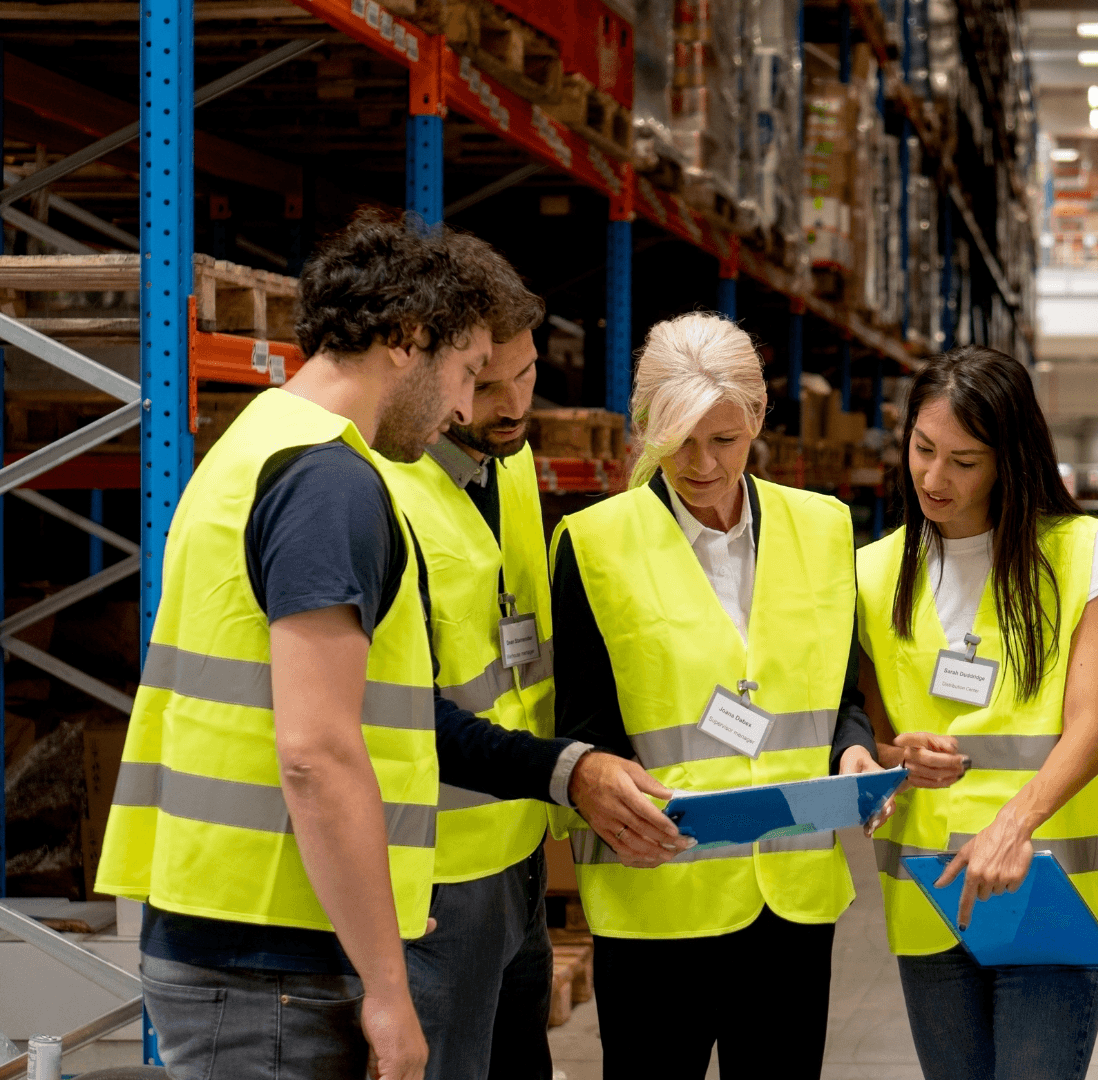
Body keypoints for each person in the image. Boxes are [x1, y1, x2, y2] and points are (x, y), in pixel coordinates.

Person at [96, 212, 683, 1080]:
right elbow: (318, 754)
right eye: (467, 372)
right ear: (408, 340)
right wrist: (387, 988)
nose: (462, 406)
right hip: (272, 956)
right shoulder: (331, 484)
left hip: (247, 930)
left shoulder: (263, 438)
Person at [550, 311, 890, 1080]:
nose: (701, 464)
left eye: (724, 440)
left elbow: (839, 698)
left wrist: (854, 748)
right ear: (644, 426)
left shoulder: (823, 528)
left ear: (759, 421)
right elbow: (583, 727)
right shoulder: (594, 543)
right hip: (658, 899)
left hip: (792, 902)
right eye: (677, 442)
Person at [856, 345, 1098, 1080]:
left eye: (964, 461)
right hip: (930, 894)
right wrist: (893, 762)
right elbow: (875, 739)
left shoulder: (1080, 553)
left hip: (1044, 888)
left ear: (1009, 459)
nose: (933, 478)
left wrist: (1012, 827)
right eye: (922, 449)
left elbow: (1090, 727)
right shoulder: (873, 572)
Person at [376, 254, 580, 1079]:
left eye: (526, 376)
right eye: (486, 385)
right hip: (436, 870)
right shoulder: (387, 483)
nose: (509, 406)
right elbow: (397, 705)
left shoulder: (515, 462)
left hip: (519, 844)